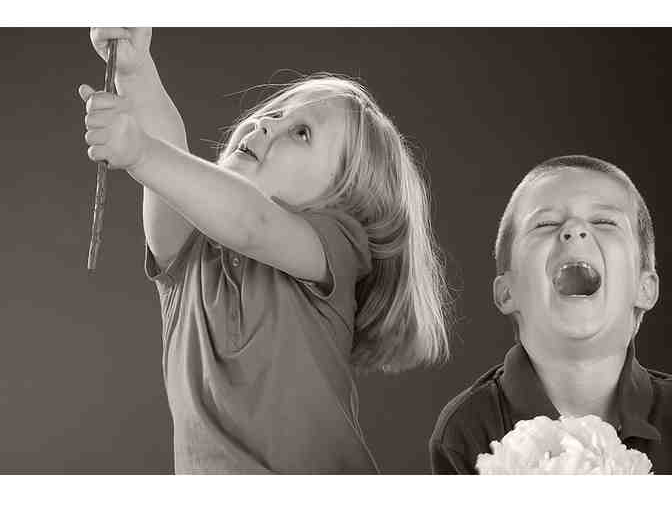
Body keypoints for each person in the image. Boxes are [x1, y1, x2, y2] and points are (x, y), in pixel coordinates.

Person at [79, 28, 453, 473]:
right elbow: (169, 145)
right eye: (274, 113)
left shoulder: (336, 243)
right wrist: (135, 68)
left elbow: (251, 222)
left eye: (301, 133)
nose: (266, 124)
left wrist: (140, 153)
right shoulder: (188, 251)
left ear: (341, 200)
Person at [429, 155, 672, 474]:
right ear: (507, 292)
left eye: (604, 221)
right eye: (545, 224)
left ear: (645, 288)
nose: (575, 230)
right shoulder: (466, 430)